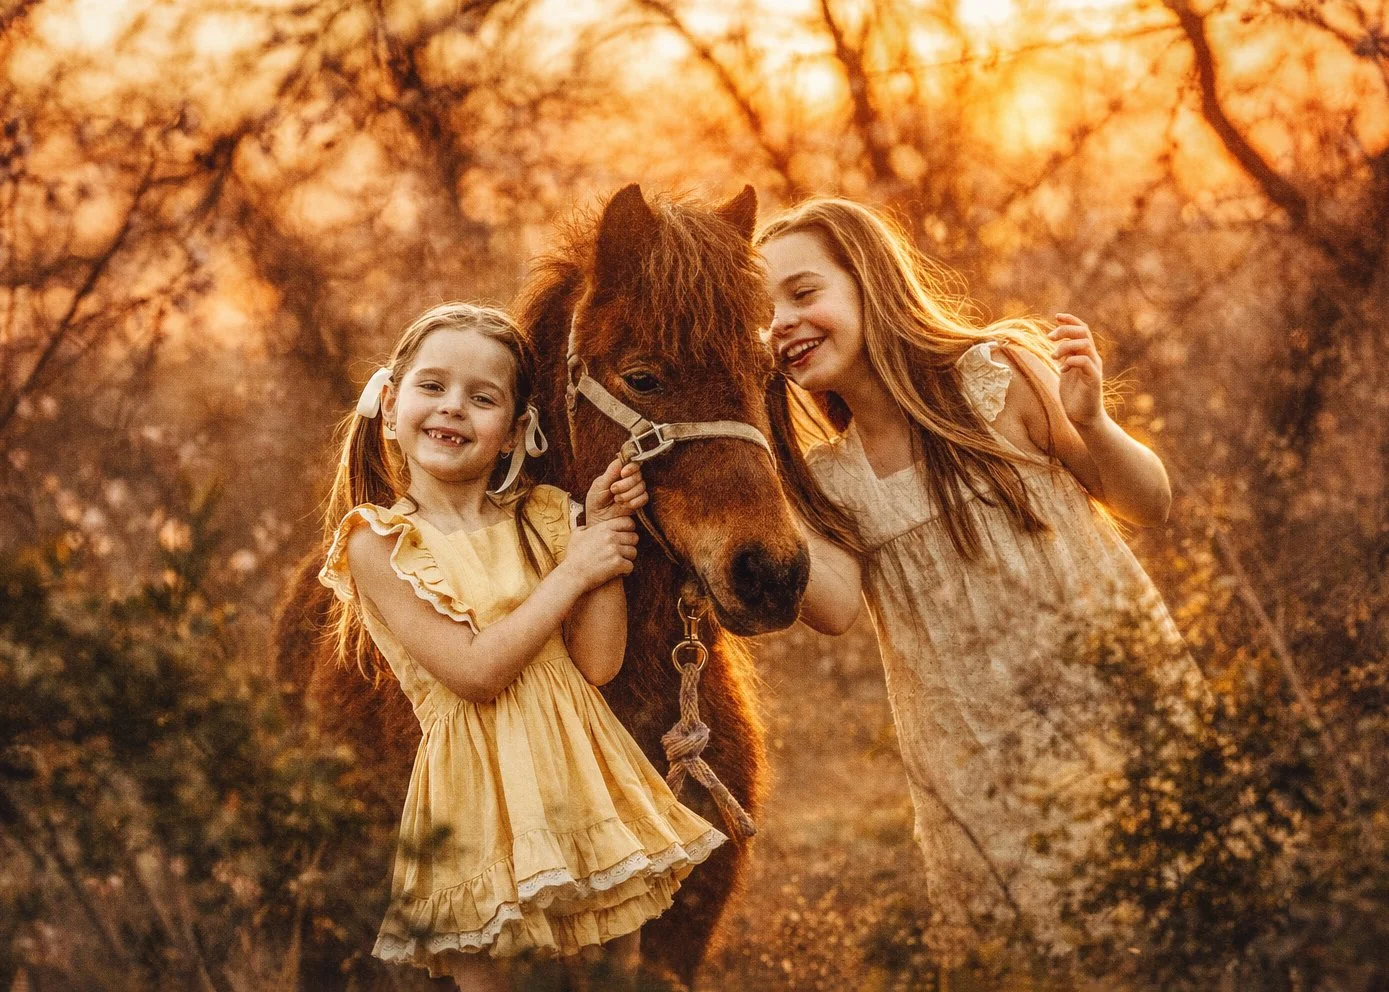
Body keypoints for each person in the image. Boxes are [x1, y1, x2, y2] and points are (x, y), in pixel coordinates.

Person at [758, 199, 1203, 952]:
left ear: (869, 281)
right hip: (974, 767)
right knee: (1034, 948)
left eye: (802, 294)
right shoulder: (824, 480)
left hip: (1107, 709)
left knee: (1176, 914)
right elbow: (829, 607)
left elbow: (1147, 503)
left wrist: (1093, 422)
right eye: (763, 314)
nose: (781, 323)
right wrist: (736, 475)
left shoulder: (992, 379)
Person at [318, 302, 726, 989]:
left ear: (512, 432)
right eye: (431, 387)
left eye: (481, 398)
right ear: (390, 407)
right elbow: (474, 673)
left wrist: (599, 527)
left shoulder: (546, 517)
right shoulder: (379, 541)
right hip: (474, 797)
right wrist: (576, 570)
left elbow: (597, 663)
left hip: (573, 787)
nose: (452, 408)